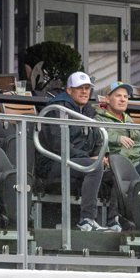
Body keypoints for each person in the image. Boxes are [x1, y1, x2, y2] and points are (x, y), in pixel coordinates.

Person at [45, 71, 117, 233]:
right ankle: (87, 219)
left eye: (87, 88)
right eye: (80, 88)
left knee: (116, 172)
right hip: (55, 163)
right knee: (94, 166)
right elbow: (58, 144)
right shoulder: (57, 108)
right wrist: (89, 158)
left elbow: (98, 139)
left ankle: (114, 221)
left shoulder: (88, 111)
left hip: (79, 162)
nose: (85, 92)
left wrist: (100, 155)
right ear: (69, 90)